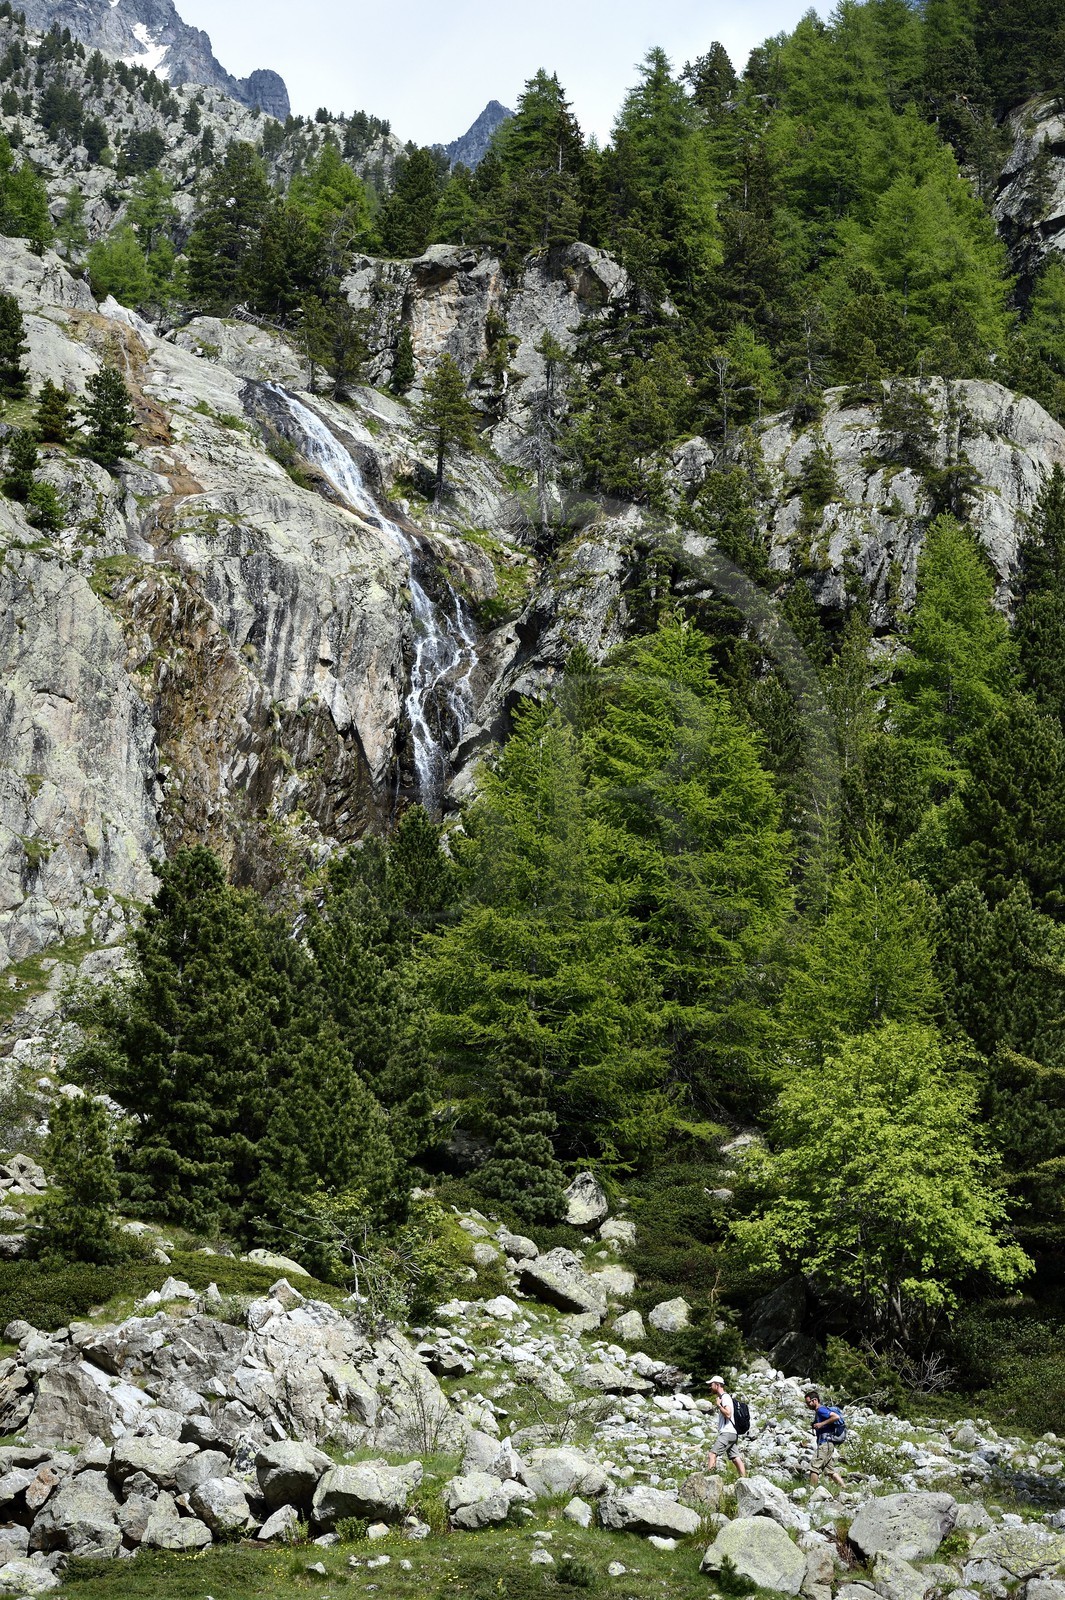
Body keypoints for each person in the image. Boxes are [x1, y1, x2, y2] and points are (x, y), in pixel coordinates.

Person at [804, 1388, 845, 1491]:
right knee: (830, 1470)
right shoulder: (819, 1412)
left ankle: (812, 1491)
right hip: (828, 1444)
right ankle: (844, 1488)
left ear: (815, 1400)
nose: (807, 1405)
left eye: (808, 1402)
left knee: (814, 1466)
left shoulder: (821, 1410)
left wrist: (821, 1424)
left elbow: (835, 1417)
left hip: (825, 1443)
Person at [707, 1375, 747, 1478]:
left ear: (717, 1385)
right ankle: (744, 1479)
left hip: (727, 1432)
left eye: (711, 1384)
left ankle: (710, 1479)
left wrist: (719, 1405)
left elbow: (728, 1413)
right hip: (732, 1433)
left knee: (712, 1454)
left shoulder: (725, 1397)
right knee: (735, 1457)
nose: (710, 1387)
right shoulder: (724, 1397)